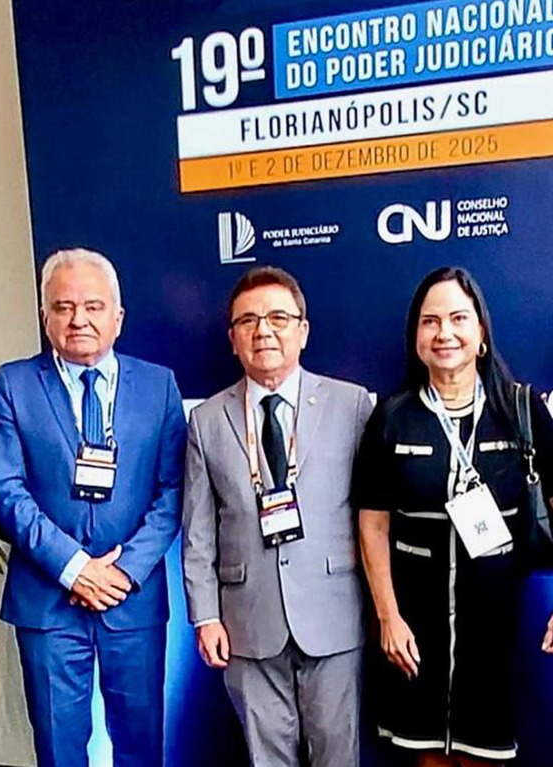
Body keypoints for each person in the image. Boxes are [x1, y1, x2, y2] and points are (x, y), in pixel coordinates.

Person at [354, 266, 553, 766]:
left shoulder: (520, 409)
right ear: (416, 338)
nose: (444, 333)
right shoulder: (393, 415)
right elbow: (373, 524)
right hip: (414, 627)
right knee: (426, 755)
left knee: (485, 755)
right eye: (430, 322)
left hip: (494, 628)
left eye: (458, 318)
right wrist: (388, 617)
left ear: (480, 333)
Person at [0, 248, 186, 767]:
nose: (79, 320)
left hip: (131, 599)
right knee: (58, 746)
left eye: (93, 306)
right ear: (45, 316)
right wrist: (74, 569)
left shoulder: (159, 385)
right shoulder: (14, 384)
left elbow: (172, 490)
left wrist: (122, 570)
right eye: (63, 306)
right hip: (48, 602)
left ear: (117, 317)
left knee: (141, 743)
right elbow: (4, 489)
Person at [181, 266, 373, 767]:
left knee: (339, 755)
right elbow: (199, 530)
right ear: (232, 339)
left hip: (335, 614)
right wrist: (204, 616)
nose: (263, 330)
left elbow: (374, 516)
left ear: (302, 331)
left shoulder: (351, 404)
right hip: (246, 621)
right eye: (248, 321)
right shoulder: (206, 419)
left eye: (278, 318)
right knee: (266, 759)